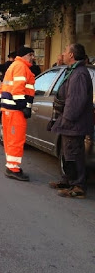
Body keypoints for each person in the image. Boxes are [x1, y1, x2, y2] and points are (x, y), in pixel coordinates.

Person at [50, 44, 93, 198]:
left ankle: (78, 186)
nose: (62, 54)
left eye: (65, 51)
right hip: (69, 122)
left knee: (74, 154)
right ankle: (68, 180)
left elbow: (76, 101)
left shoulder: (79, 73)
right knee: (67, 154)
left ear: (72, 55)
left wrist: (67, 119)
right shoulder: (74, 71)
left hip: (73, 123)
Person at [0, 45, 36, 181]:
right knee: (16, 140)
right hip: (15, 110)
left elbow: (4, 87)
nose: (33, 58)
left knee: (10, 139)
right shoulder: (21, 67)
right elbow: (18, 90)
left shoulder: (15, 65)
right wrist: (24, 107)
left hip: (9, 109)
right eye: (31, 55)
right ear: (26, 55)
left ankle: (11, 165)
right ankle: (13, 169)